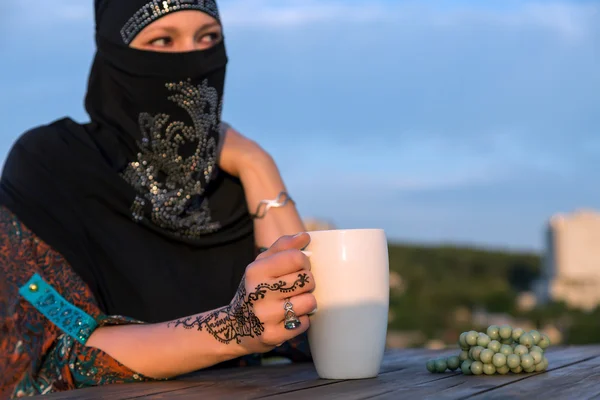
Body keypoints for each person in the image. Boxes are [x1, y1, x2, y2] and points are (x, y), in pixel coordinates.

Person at [0, 1, 316, 397]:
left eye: (209, 38)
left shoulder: (233, 186)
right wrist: (234, 329)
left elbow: (311, 330)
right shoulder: (52, 165)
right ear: (114, 54)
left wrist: (258, 165)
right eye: (162, 40)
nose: (192, 60)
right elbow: (62, 350)